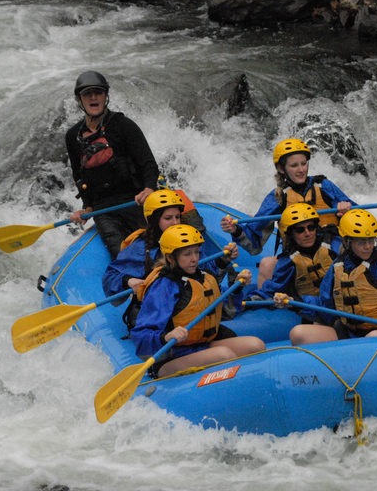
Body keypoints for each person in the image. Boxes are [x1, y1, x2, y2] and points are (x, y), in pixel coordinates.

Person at [274, 210, 377, 346]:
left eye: (371, 240)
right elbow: (325, 305)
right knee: (299, 333)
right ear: (347, 241)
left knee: (373, 338)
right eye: (361, 241)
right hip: (350, 334)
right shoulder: (338, 267)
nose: (368, 246)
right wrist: (294, 301)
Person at [130, 224, 266, 378]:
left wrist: (237, 289)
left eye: (196, 252)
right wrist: (166, 336)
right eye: (187, 254)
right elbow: (140, 336)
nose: (194, 259)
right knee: (224, 355)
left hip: (202, 345)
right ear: (170, 257)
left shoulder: (203, 277)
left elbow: (224, 314)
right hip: (173, 356)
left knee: (256, 345)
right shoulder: (163, 287)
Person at [219, 138, 355, 285]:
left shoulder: (325, 187)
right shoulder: (278, 198)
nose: (301, 169)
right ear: (281, 169)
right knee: (266, 264)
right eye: (294, 165)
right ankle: (269, 303)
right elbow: (254, 244)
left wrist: (346, 211)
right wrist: (236, 230)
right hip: (298, 259)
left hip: (333, 253)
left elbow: (359, 220)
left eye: (304, 164)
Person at [65, 71, 160, 259]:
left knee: (157, 252)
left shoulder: (124, 125)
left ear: (105, 96)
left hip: (136, 201)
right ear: (79, 100)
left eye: (98, 92)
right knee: (123, 257)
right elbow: (80, 177)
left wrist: (149, 188)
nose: (93, 97)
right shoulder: (72, 137)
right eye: (87, 94)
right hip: (104, 211)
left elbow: (148, 164)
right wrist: (88, 208)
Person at [102, 189, 238, 299]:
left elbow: (203, 270)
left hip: (186, 303)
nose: (175, 222)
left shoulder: (187, 239)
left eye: (177, 217)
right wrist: (129, 281)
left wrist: (222, 261)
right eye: (168, 218)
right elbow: (111, 276)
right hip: (156, 309)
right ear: (155, 220)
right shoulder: (141, 247)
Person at [249, 203, 342, 303]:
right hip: (312, 309)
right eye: (300, 230)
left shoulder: (334, 246)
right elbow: (270, 290)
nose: (307, 233)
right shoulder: (288, 261)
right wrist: (247, 299)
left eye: (311, 227)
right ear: (291, 234)